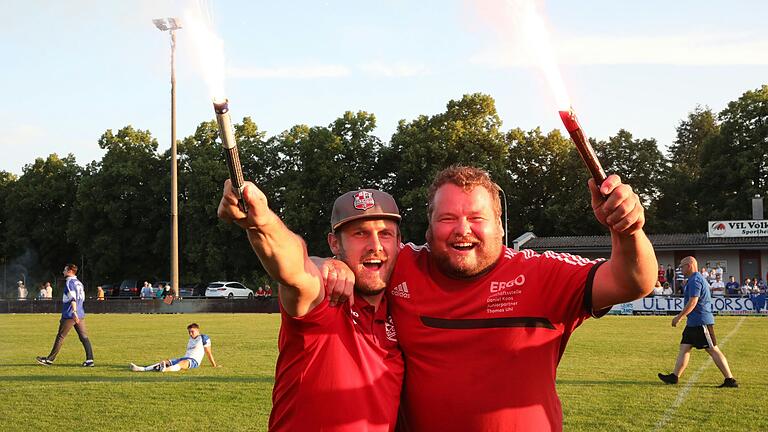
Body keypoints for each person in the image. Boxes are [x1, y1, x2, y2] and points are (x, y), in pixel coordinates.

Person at [385, 166, 657, 431]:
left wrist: (628, 230)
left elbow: (632, 282)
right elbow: (359, 258)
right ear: (428, 228)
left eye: (477, 218)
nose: (462, 229)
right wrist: (340, 269)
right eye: (447, 218)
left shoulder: (542, 275)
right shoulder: (400, 267)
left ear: (501, 227)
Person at [217, 181, 404, 431]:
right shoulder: (325, 297)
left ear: (399, 242)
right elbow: (294, 269)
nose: (376, 245)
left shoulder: (403, 305)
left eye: (385, 234)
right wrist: (261, 222)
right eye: (359, 233)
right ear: (335, 244)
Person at [658, 256, 738, 388]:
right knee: (684, 348)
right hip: (693, 322)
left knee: (712, 350)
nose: (680, 269)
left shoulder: (695, 280)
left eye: (682, 266)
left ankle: (730, 379)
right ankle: (674, 376)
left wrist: (679, 317)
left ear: (689, 265)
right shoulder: (693, 279)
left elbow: (693, 301)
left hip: (701, 322)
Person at [36, 264, 95, 367]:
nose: (63, 271)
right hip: (80, 313)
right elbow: (82, 298)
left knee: (61, 336)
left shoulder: (69, 282)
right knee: (84, 337)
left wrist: (74, 312)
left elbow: (72, 298)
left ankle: (49, 360)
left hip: (70, 314)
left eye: (65, 270)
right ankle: (90, 360)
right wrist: (78, 311)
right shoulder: (79, 283)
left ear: (70, 271)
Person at [130, 323, 218, 372]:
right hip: (184, 357)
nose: (190, 334)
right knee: (165, 361)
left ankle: (165, 370)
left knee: (182, 363)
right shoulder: (190, 339)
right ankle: (141, 369)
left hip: (194, 361)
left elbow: (208, 352)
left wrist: (214, 365)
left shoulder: (204, 338)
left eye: (192, 331)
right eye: (189, 332)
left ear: (198, 330)